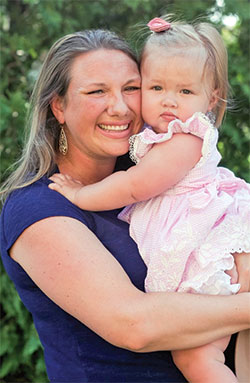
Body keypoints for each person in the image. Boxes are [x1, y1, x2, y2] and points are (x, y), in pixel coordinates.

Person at [0, 29, 249, 383]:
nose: (119, 106)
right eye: (97, 91)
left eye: (131, 88)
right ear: (59, 106)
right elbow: (134, 326)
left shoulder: (159, 183)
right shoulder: (38, 207)